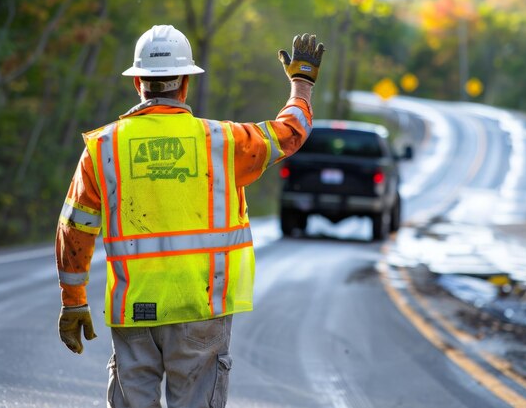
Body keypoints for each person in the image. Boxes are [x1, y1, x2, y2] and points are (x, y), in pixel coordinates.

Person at [55, 24, 324, 408]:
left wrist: (74, 301)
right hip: (201, 309)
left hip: (134, 311)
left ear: (138, 84)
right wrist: (301, 84)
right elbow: (289, 133)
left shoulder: (103, 147)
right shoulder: (223, 142)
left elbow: (75, 229)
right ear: (185, 83)